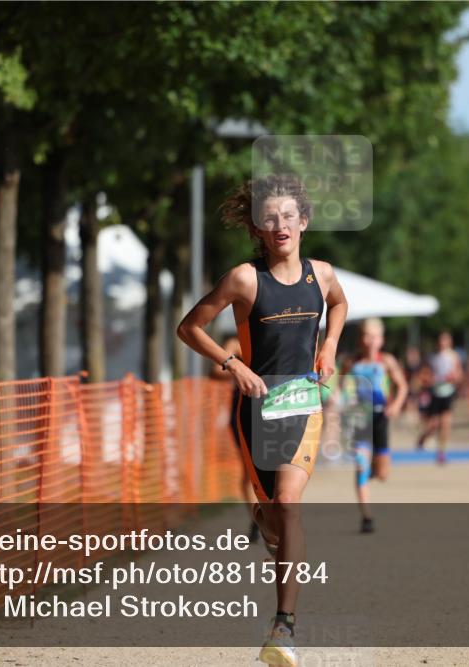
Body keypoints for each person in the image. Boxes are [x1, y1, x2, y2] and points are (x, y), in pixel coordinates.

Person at [176, 174, 347, 667]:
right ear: (258, 227)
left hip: (305, 404)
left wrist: (330, 343)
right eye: (270, 218)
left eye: (289, 217)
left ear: (304, 222)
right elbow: (189, 327)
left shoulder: (324, 275)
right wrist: (234, 366)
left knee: (289, 504)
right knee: (275, 511)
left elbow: (339, 305)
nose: (280, 226)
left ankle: (283, 626)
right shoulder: (245, 280)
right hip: (257, 411)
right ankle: (266, 517)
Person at [341, 318, 408, 533]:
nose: (371, 341)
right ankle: (367, 516)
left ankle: (372, 470)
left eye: (375, 336)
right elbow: (341, 387)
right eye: (367, 336)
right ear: (361, 338)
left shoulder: (386, 361)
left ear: (382, 339)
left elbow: (402, 386)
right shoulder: (351, 362)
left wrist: (396, 404)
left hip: (380, 417)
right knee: (360, 465)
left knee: (382, 474)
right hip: (359, 418)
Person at [210, 334, 259, 542]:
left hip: (270, 405)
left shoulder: (271, 330)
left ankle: (274, 516)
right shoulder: (234, 343)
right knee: (248, 470)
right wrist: (238, 370)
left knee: (273, 469)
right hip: (243, 409)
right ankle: (256, 520)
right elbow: (214, 373)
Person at [420, 332, 464, 464]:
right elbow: (424, 375)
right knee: (433, 424)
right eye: (441, 341)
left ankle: (441, 452)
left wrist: (455, 378)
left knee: (445, 424)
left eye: (445, 341)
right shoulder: (433, 357)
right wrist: (429, 380)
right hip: (435, 393)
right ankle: (423, 438)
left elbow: (459, 374)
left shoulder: (454, 356)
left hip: (448, 393)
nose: (443, 343)